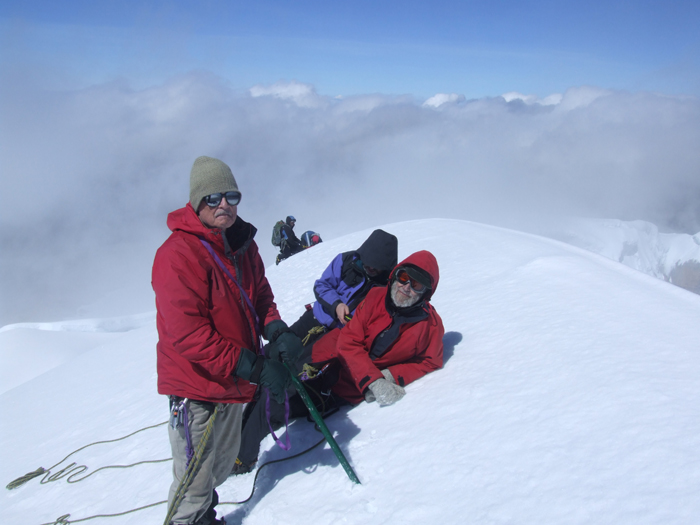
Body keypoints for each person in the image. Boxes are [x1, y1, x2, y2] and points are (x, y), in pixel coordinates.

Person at [152, 156, 303, 525]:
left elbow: (260, 296)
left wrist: (276, 329)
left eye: (231, 196)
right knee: (193, 485)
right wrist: (254, 366)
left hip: (232, 382)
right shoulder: (176, 255)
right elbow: (188, 335)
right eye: (213, 198)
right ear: (196, 202)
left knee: (217, 469)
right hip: (197, 388)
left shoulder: (243, 245)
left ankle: (206, 517)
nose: (224, 205)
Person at [233, 249, 443, 474]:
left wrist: (390, 375)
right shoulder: (375, 297)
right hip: (323, 357)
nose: (406, 287)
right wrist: (373, 379)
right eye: (403, 278)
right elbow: (349, 341)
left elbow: (430, 362)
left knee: (276, 400)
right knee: (273, 383)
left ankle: (241, 458)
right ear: (396, 275)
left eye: (416, 285)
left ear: (426, 293)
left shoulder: (430, 326)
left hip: (343, 387)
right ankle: (233, 437)